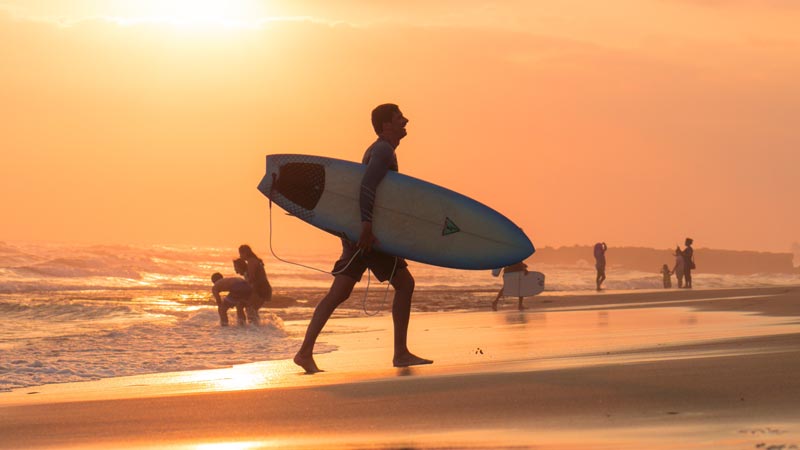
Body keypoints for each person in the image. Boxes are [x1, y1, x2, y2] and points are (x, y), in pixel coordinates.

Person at [293, 103, 432, 374]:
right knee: (405, 284)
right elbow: (367, 186)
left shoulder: (377, 149)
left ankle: (304, 351)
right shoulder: (382, 150)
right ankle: (400, 353)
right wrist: (368, 226)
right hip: (370, 236)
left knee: (339, 292)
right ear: (385, 125)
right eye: (398, 118)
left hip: (359, 234)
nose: (406, 120)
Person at [237, 244, 272, 325]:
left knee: (250, 308)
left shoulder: (251, 261)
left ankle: (252, 328)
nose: (240, 256)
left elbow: (252, 278)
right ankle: (255, 328)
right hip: (262, 288)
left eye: (240, 254)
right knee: (252, 309)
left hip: (261, 289)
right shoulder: (254, 260)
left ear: (245, 253)